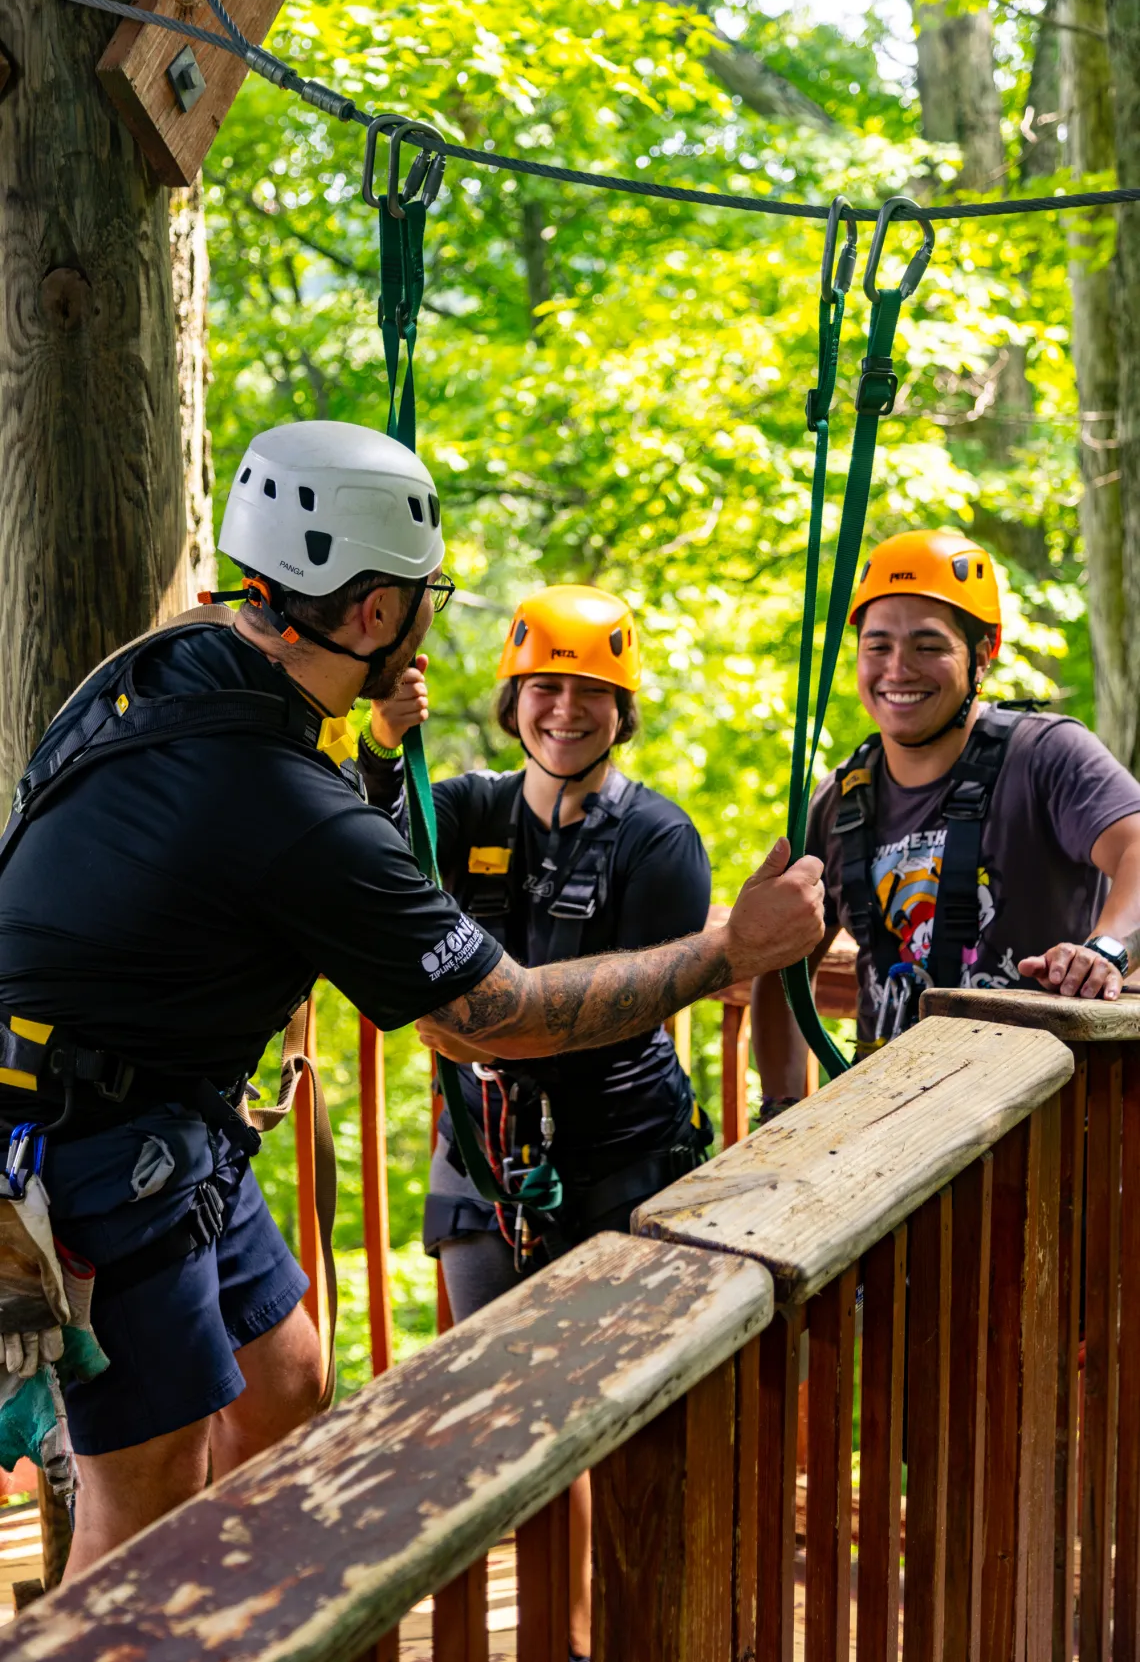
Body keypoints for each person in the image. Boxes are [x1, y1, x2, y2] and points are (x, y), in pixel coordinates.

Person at [0, 420, 826, 1579]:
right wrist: (732, 946)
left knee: (285, 1378)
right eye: (426, 595)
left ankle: (231, 1615)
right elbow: (493, 1013)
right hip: (94, 1147)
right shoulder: (285, 799)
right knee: (137, 1516)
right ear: (376, 616)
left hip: (159, 1117)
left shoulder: (174, 661)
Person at [363, 584, 712, 1658]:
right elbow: (362, 858)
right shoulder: (461, 808)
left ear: (624, 708)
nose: (566, 710)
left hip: (619, 1161)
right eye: (545, 688)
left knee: (617, 1419)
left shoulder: (657, 839)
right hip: (481, 1161)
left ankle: (623, 1630)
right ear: (514, 699)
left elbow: (631, 1005)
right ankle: (534, 1633)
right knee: (483, 1409)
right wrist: (384, 749)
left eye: (592, 692)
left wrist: (487, 1029)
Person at [754, 528, 1140, 1106]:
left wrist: (1106, 951)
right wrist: (783, 1114)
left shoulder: (1045, 757)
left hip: (1041, 1120)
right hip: (889, 1128)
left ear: (982, 655)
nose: (898, 669)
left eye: (929, 646)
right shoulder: (839, 802)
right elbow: (782, 969)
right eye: (877, 646)